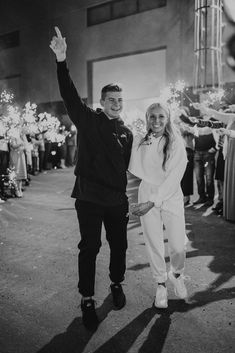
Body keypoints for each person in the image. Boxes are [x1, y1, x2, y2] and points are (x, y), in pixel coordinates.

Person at [50, 27, 133, 330]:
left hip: (116, 200)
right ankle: (87, 298)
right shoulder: (88, 120)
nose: (116, 103)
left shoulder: (128, 132)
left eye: (120, 99)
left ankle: (116, 282)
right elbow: (69, 95)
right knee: (90, 247)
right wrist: (62, 60)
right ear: (102, 100)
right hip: (87, 197)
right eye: (111, 99)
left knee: (120, 246)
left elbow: (131, 167)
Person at [128, 102, 188, 309]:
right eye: (152, 117)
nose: (156, 121)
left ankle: (177, 274)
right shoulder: (141, 141)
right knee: (153, 241)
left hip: (170, 195)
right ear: (147, 119)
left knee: (178, 244)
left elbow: (174, 176)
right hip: (147, 192)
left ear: (168, 118)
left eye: (161, 116)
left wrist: (153, 202)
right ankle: (160, 284)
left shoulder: (176, 142)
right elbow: (126, 156)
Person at [193, 103, 235, 222]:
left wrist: (229, 133)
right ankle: (225, 206)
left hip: (231, 152)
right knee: (223, 181)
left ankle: (221, 203)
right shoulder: (232, 117)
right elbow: (216, 117)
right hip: (228, 153)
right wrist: (202, 108)